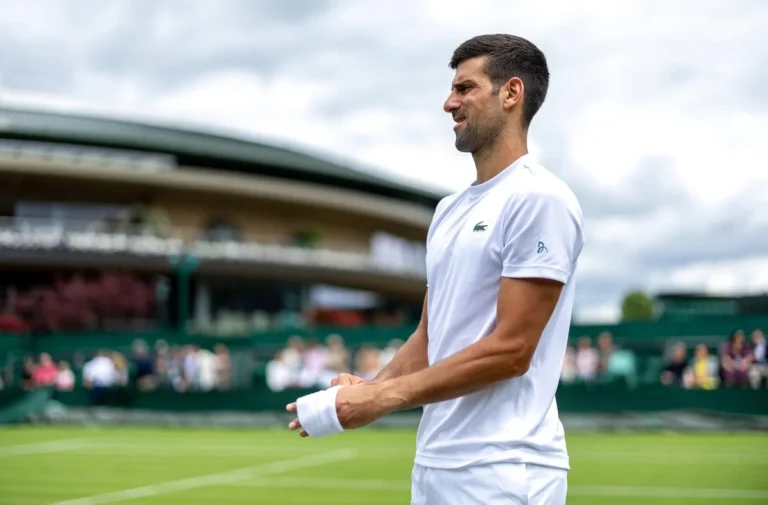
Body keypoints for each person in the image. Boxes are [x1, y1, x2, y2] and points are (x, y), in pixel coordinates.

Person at [287, 34, 583, 505]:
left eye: (465, 88)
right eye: (452, 89)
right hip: (435, 463)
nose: (449, 103)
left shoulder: (540, 198)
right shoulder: (448, 210)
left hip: (503, 469)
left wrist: (383, 398)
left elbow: (512, 350)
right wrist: (368, 390)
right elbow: (431, 336)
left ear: (511, 93)